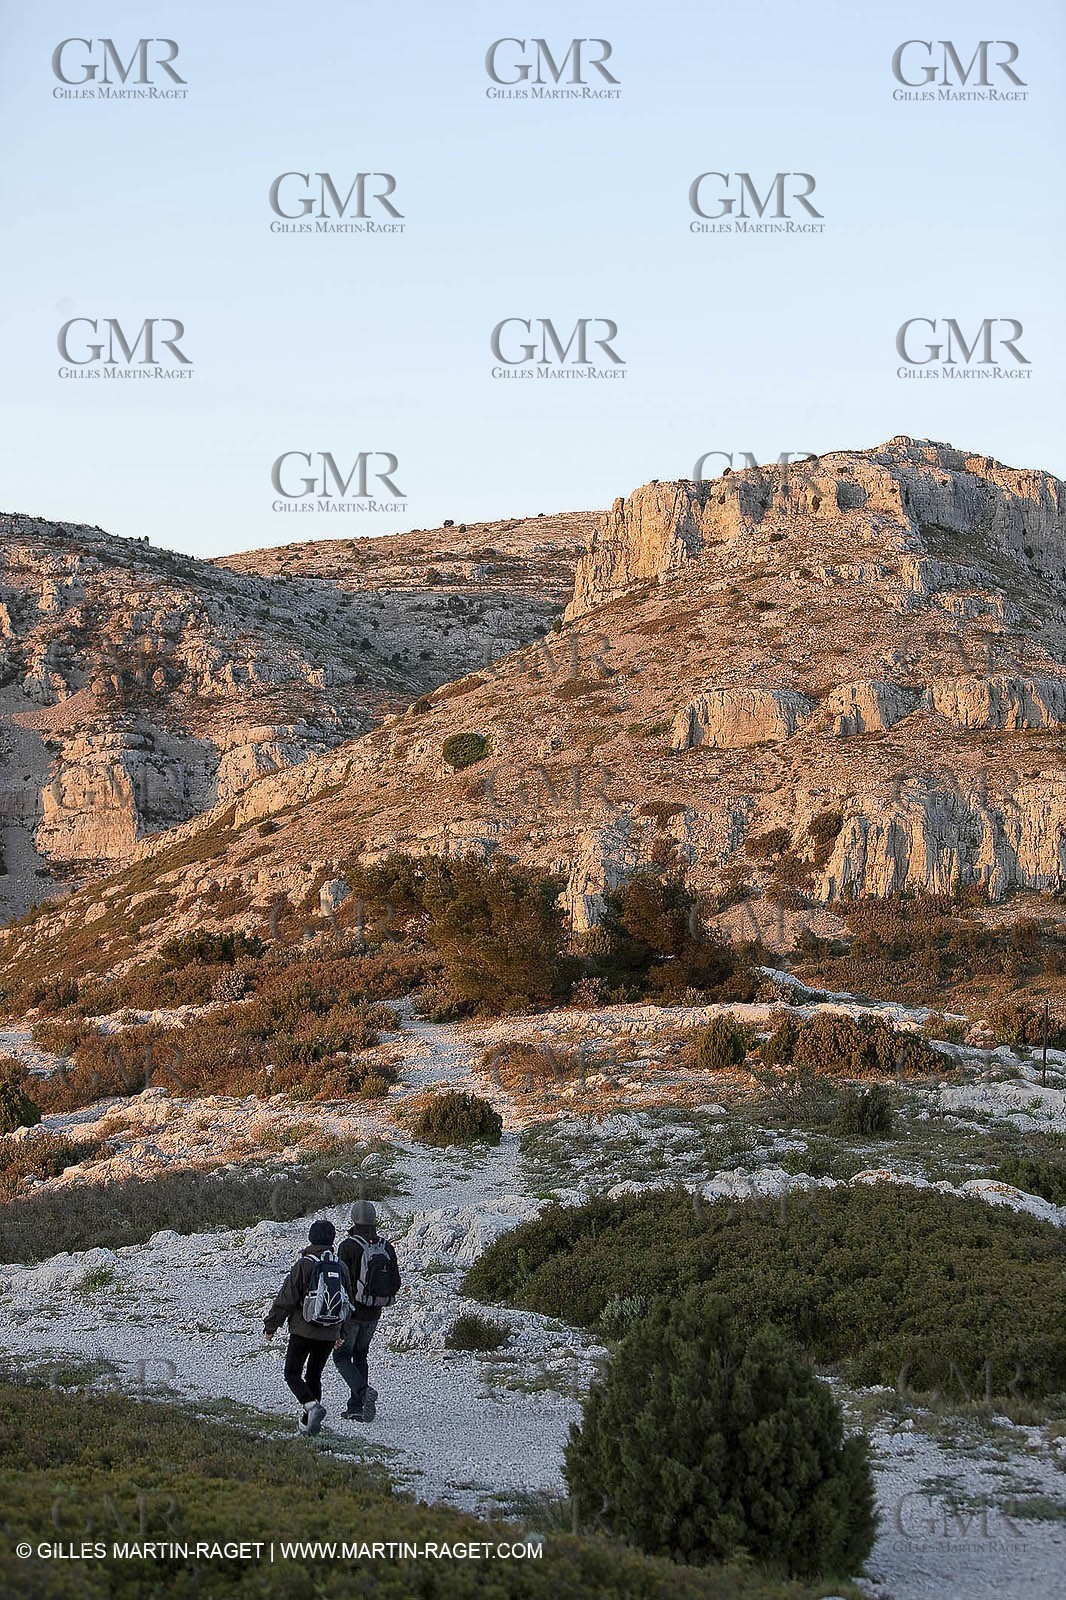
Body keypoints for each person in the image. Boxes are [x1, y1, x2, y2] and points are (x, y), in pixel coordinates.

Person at [264, 1218, 353, 1436]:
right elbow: (347, 1302)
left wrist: (271, 1325)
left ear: (311, 1238)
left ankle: (311, 1407)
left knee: (292, 1373)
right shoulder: (340, 1266)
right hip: (329, 1331)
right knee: (314, 1375)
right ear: (332, 1239)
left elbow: (286, 1298)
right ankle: (309, 1423)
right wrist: (341, 1332)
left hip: (302, 1330)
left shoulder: (303, 1264)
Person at [333, 1201, 402, 1421]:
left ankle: (363, 1394)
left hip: (352, 1313)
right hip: (374, 1311)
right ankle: (356, 1407)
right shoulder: (386, 1246)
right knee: (361, 1356)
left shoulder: (347, 1246)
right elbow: (396, 1282)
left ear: (353, 1219)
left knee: (341, 1357)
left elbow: (341, 1282)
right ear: (374, 1219)